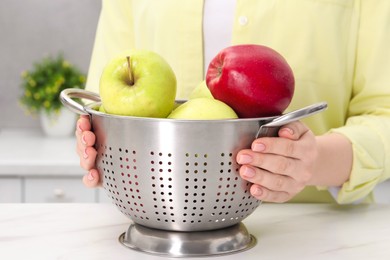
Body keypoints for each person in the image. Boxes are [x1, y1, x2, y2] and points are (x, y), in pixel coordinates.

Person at [75, 0, 390, 204]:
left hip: (309, 235)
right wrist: (96, 139)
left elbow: (384, 113)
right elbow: (102, 104)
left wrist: (313, 161)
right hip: (154, 226)